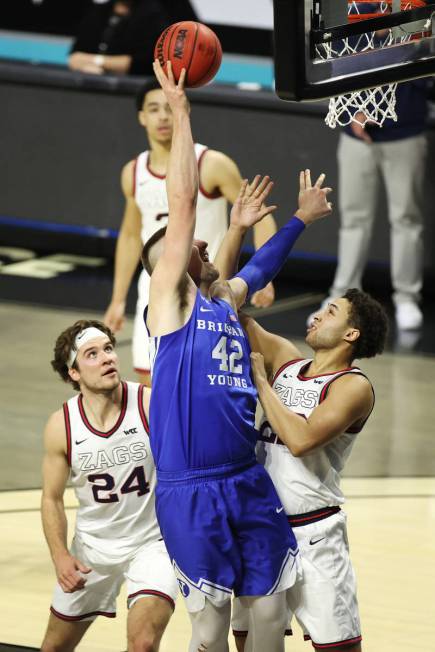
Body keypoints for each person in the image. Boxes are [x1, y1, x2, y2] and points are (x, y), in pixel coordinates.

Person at [143, 59, 333, 652]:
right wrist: (180, 111)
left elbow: (257, 267)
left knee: (271, 609)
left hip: (245, 478)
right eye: (186, 245)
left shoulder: (220, 301)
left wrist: (298, 219)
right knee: (211, 623)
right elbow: (182, 208)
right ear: (167, 267)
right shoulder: (169, 305)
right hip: (191, 487)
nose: (199, 240)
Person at [232, 289, 389, 651]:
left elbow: (300, 439)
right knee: (249, 641)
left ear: (352, 334)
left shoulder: (353, 387)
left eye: (330, 312)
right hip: (260, 527)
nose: (316, 316)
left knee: (339, 647)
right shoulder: (287, 360)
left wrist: (261, 384)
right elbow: (234, 314)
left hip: (313, 533)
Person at [104, 78, 277, 385]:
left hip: (208, 287)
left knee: (207, 381)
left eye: (169, 108)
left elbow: (260, 216)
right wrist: (117, 299)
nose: (162, 117)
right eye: (153, 109)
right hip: (156, 288)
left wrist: (264, 276)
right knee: (152, 385)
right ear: (141, 117)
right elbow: (131, 235)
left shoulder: (211, 163)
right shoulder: (133, 172)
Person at [40, 319, 177, 651]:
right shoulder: (63, 425)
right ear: (73, 373)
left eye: (109, 349)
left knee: (143, 644)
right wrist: (60, 556)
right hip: (92, 549)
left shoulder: (148, 403)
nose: (107, 358)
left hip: (152, 544)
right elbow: (52, 498)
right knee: (53, 648)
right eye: (92, 354)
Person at [312, 79, 429, 331]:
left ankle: (407, 297)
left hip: (405, 133)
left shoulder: (414, 39)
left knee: (406, 219)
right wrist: (354, 112)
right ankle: (341, 295)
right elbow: (338, 71)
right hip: (354, 136)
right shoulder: (352, 40)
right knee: (353, 219)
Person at [68, 0, 196, 76]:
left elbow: (141, 64)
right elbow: (74, 57)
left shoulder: (153, 16)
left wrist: (98, 62)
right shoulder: (99, 12)